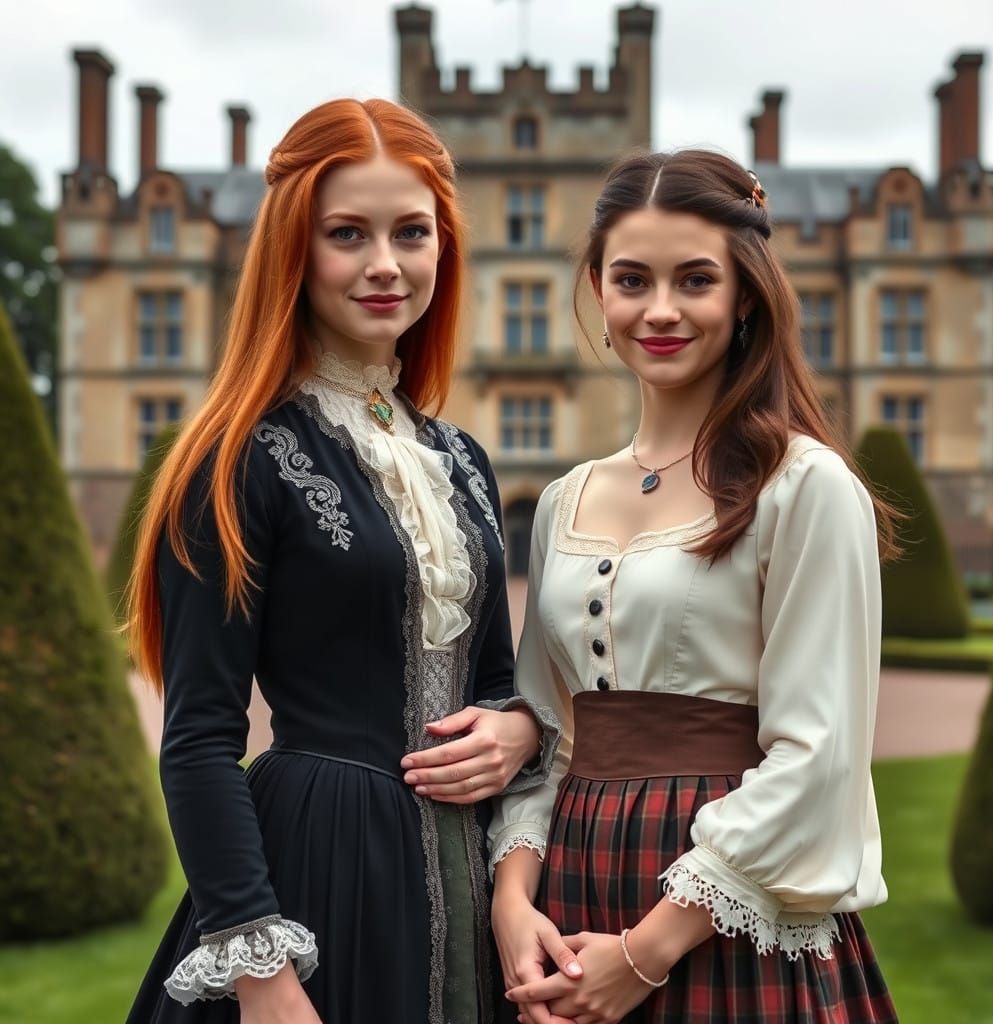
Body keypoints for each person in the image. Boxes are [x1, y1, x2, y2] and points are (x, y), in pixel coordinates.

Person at [124, 98, 559, 1024]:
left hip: (466, 884)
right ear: (295, 248)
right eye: (347, 234)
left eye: (412, 232)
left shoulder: (462, 459)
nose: (385, 265)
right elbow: (200, 739)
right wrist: (264, 974)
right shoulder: (235, 455)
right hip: (316, 877)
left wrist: (517, 728)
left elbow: (492, 680)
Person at [489, 150, 899, 1024]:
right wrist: (512, 900)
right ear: (599, 291)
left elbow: (818, 762)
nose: (661, 310)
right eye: (632, 279)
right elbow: (551, 736)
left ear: (745, 295)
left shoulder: (805, 486)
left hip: (726, 922)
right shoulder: (562, 502)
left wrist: (645, 954)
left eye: (696, 280)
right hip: (573, 903)